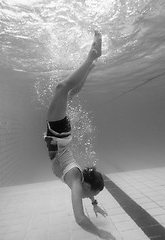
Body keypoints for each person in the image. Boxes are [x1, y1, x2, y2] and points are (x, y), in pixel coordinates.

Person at [44, 31, 116, 240]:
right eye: (91, 195)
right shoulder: (77, 181)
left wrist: (94, 204)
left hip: (62, 136)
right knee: (62, 88)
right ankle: (92, 56)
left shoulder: (82, 181)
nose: (89, 197)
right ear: (84, 185)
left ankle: (91, 66)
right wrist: (102, 233)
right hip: (57, 134)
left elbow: (88, 191)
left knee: (70, 93)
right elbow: (80, 219)